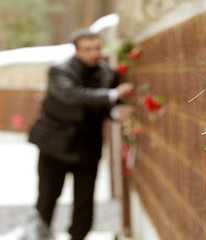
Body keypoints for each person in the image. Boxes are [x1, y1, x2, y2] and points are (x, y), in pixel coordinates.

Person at [27, 29, 134, 240]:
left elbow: (106, 108)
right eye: (88, 49)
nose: (94, 53)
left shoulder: (108, 74)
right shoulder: (59, 71)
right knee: (47, 197)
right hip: (55, 144)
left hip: (87, 145)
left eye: (97, 48)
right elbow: (71, 95)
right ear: (77, 50)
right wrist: (111, 95)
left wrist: (115, 111)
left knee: (84, 201)